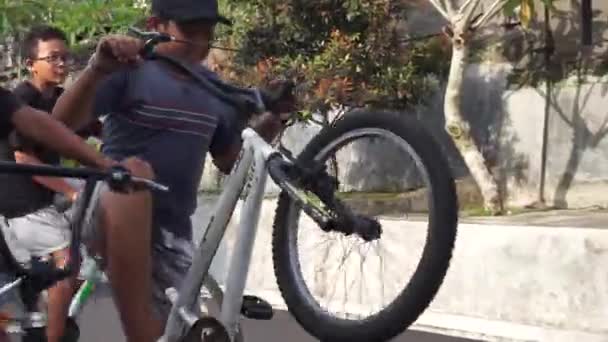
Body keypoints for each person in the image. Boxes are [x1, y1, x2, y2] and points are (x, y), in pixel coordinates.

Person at [52, 0, 295, 340]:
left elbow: (229, 162)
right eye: (191, 31)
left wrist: (271, 124)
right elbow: (60, 124)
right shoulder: (129, 70)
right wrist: (97, 69)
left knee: (208, 332)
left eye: (208, 32)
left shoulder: (215, 91)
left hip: (169, 235)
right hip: (108, 209)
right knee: (135, 178)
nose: (201, 40)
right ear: (157, 25)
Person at [8, 25, 92, 342]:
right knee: (67, 266)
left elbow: (89, 135)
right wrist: (70, 189)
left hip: (44, 196)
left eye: (65, 57)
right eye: (52, 57)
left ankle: (42, 314)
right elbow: (24, 160)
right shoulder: (21, 101)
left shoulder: (60, 99)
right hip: (20, 199)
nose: (61, 64)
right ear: (32, 63)